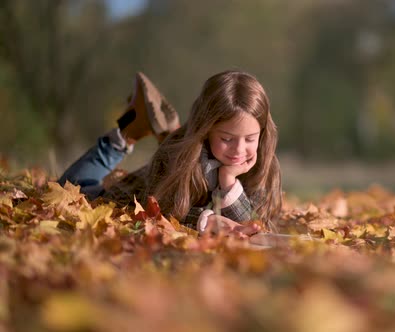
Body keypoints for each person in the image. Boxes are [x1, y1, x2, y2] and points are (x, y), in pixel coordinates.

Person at [59, 70, 282, 234]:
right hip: (123, 198)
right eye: (226, 139)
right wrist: (208, 221)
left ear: (262, 133)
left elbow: (254, 224)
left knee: (179, 149)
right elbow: (160, 212)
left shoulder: (264, 165)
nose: (239, 150)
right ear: (206, 130)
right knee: (71, 187)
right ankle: (127, 130)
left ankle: (170, 133)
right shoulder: (179, 160)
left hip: (179, 154)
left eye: (250, 139)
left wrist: (228, 180)